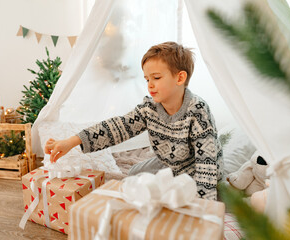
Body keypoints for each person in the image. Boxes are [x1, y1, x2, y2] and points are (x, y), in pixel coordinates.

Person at [44, 41, 223, 200]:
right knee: (134, 175)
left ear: (180, 78)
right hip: (169, 164)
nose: (150, 84)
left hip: (195, 168)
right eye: (147, 79)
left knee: (179, 195)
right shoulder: (149, 108)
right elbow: (116, 127)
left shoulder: (198, 111)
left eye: (157, 78)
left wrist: (204, 206)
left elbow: (206, 164)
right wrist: (71, 142)